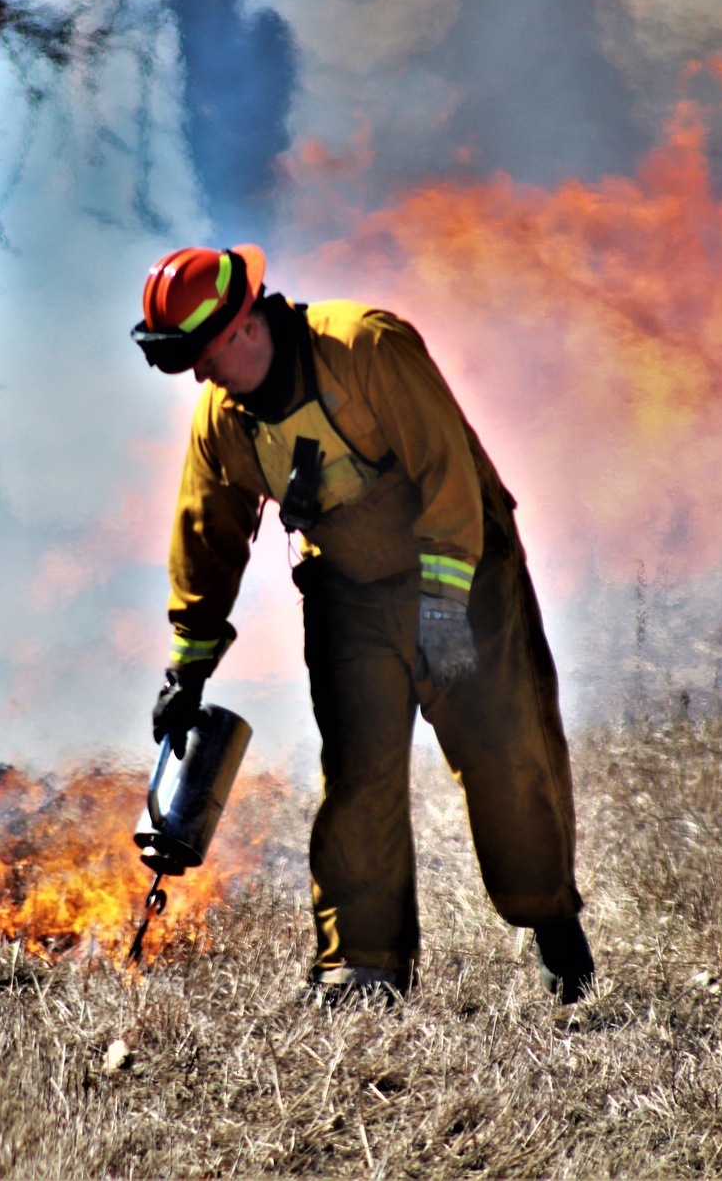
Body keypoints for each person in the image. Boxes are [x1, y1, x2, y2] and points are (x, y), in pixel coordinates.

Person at [132, 243, 595, 1002]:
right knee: (358, 775)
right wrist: (189, 664)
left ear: (246, 324)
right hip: (347, 592)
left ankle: (554, 929)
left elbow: (449, 474)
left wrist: (445, 612)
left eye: (201, 355)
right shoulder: (224, 419)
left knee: (504, 752)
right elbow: (206, 535)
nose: (197, 376)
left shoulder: (366, 347)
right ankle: (363, 967)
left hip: (462, 571)